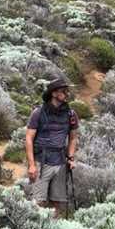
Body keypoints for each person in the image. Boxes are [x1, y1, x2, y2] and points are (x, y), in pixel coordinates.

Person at [25, 78, 79, 218]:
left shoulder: (70, 114)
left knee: (58, 202)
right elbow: (29, 138)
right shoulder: (38, 113)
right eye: (63, 91)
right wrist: (31, 165)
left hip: (60, 162)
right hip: (41, 162)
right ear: (54, 93)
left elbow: (73, 138)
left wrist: (71, 157)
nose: (67, 94)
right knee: (38, 201)